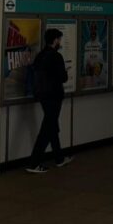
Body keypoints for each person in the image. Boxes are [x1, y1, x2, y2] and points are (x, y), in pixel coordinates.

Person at [26, 28, 74, 173]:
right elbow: (63, 78)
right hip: (54, 96)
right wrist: (65, 72)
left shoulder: (40, 55)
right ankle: (34, 163)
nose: (60, 42)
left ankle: (59, 158)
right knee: (47, 129)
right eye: (59, 39)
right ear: (55, 40)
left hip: (43, 96)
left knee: (52, 125)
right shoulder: (56, 56)